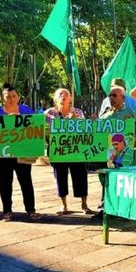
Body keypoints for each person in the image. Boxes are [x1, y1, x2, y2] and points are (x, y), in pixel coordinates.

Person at [0, 83, 41, 222]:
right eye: (8, 97)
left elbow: (36, 127)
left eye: (14, 96)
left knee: (26, 181)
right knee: (5, 182)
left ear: (18, 97)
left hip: (22, 152)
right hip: (2, 153)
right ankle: (7, 211)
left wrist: (19, 119)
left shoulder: (26, 110)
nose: (11, 99)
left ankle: (31, 210)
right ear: (3, 98)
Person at [92, 85, 136, 219]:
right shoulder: (107, 112)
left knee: (122, 179)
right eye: (110, 95)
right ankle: (105, 207)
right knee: (105, 178)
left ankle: (123, 208)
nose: (112, 98)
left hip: (124, 153)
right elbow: (98, 128)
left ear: (123, 97)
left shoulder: (129, 110)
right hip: (106, 152)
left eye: (115, 95)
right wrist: (94, 121)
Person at [45, 88, 94, 216]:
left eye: (66, 94)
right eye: (60, 94)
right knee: (60, 176)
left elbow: (83, 130)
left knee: (80, 176)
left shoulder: (77, 112)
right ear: (55, 98)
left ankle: (84, 204)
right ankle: (64, 205)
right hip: (58, 150)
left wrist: (75, 120)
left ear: (70, 98)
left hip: (76, 149)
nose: (63, 96)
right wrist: (67, 122)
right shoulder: (49, 113)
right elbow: (47, 131)